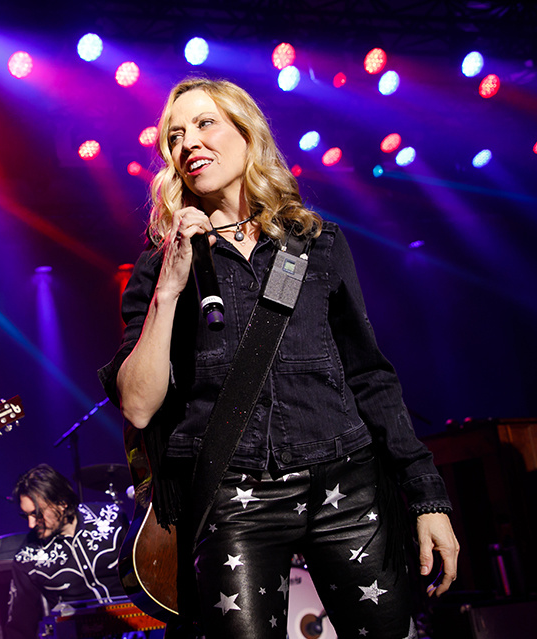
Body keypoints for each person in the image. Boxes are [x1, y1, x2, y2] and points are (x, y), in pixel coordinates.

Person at [98, 78, 459, 638]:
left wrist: (427, 497)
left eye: (205, 123)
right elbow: (138, 407)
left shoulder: (315, 241)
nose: (188, 142)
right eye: (174, 136)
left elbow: (369, 375)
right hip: (232, 493)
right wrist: (169, 288)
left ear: (248, 135)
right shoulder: (161, 262)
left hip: (346, 481)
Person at [5, 464, 129, 639]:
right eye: (26, 516)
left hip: (143, 628)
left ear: (62, 503)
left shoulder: (111, 518)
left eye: (37, 514)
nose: (31, 524)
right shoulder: (27, 558)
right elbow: (19, 626)